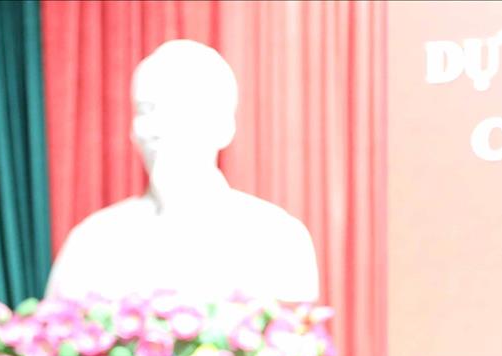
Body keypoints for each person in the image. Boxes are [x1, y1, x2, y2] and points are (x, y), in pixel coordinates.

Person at [45, 39, 318, 302]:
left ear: (224, 125)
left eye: (179, 107)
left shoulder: (276, 237)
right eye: (145, 110)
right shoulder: (93, 242)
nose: (157, 128)